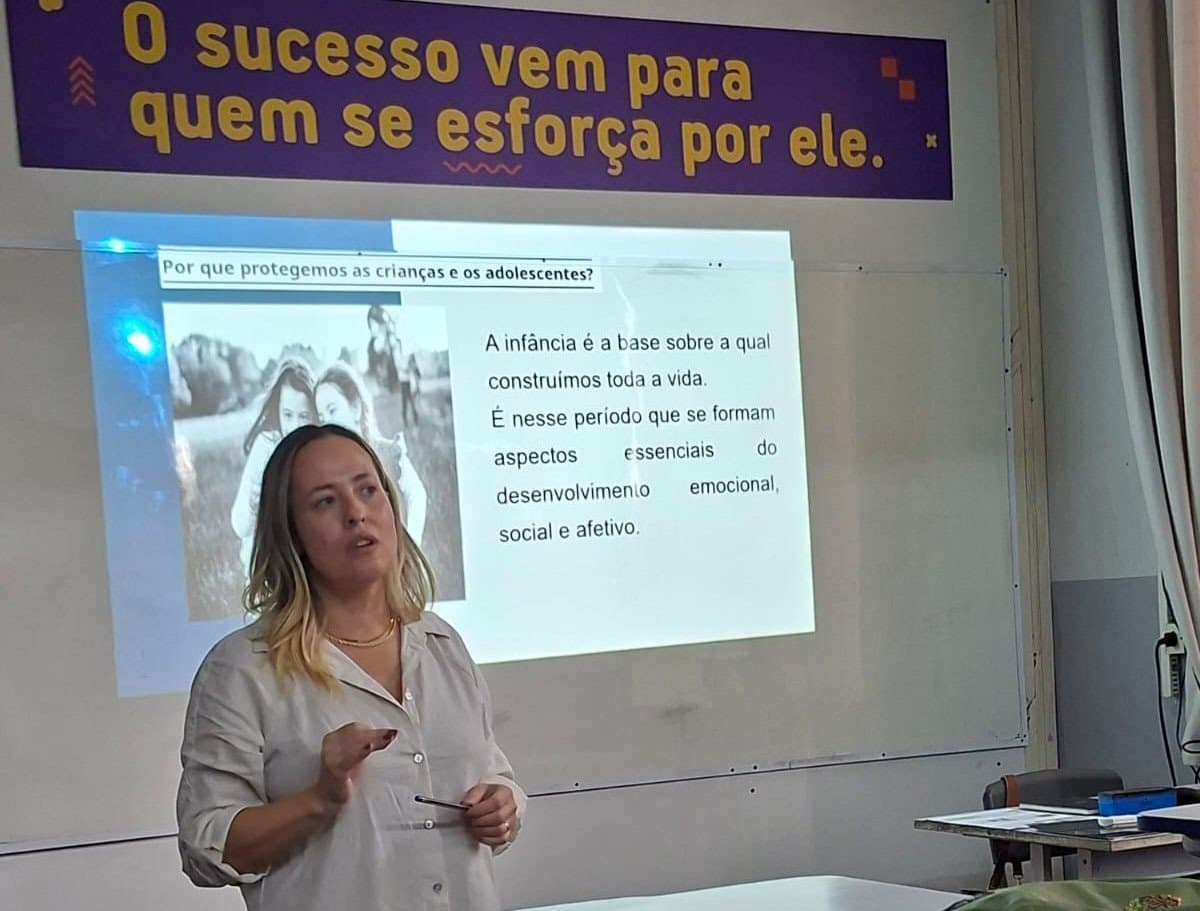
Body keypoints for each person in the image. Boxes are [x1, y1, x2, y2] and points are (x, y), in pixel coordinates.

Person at [177, 425, 524, 911]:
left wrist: (503, 806)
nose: (357, 513)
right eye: (325, 501)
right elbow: (205, 846)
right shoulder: (242, 670)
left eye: (367, 490)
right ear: (291, 534)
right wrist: (320, 799)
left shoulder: (443, 644)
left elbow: (493, 771)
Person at [314, 361, 428, 547]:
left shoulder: (387, 452)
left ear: (356, 408)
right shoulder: (326, 470)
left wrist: (411, 546)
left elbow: (417, 495)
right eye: (321, 417)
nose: (326, 422)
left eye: (332, 410)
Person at [230, 359, 316, 576]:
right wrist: (254, 498)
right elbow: (240, 526)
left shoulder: (319, 451)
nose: (294, 426)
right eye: (287, 415)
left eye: (303, 416)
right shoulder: (266, 447)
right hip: (268, 571)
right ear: (277, 411)